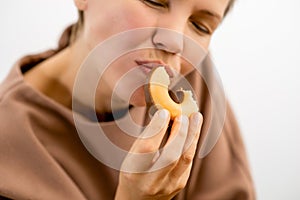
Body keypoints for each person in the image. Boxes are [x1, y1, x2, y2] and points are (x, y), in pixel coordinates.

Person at [0, 0, 256, 199]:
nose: (175, 41)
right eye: (154, 1)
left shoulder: (194, 87)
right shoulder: (9, 152)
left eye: (200, 26)